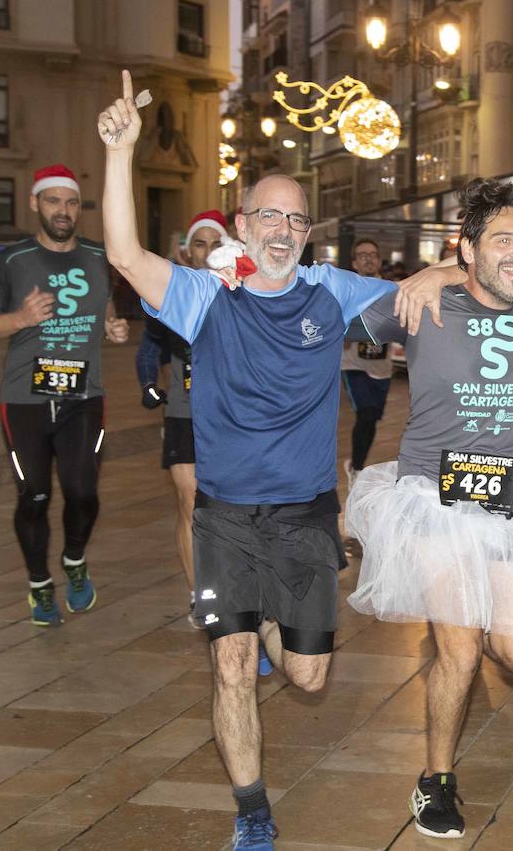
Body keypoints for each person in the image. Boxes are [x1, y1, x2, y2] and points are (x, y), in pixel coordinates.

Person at [96, 72, 434, 851]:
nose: (282, 228)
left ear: (308, 233)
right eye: (268, 215)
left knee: (310, 675)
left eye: (296, 218)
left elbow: (419, 298)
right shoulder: (203, 296)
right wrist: (120, 153)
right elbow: (122, 250)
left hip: (308, 516)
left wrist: (455, 268)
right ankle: (252, 809)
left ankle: (278, 631)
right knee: (230, 663)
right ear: (242, 225)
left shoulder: (334, 291)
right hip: (224, 517)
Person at [344, 179, 513, 839]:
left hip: (512, 505)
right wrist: (436, 271)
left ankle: (482, 636)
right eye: (503, 241)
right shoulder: (418, 302)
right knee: (461, 653)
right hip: (434, 502)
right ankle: (436, 779)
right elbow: (327, 306)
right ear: (468, 248)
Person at [0, 163, 130, 627]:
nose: (63, 211)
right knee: (35, 495)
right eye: (53, 201)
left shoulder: (100, 255)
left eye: (71, 202)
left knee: (83, 492)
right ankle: (40, 583)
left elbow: (104, 302)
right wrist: (20, 319)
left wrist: (111, 325)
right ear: (35, 203)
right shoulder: (13, 261)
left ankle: (75, 560)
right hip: (24, 399)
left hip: (85, 396)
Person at [136, 209, 230, 625]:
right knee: (190, 503)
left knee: (229, 508)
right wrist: (148, 387)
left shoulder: (241, 292)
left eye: (215, 243)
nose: (207, 252)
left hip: (231, 416)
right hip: (183, 412)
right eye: (199, 243)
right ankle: (201, 596)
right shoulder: (170, 293)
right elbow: (147, 349)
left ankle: (236, 586)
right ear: (186, 250)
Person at [340, 239, 393, 479]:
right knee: (366, 412)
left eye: (373, 254)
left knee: (371, 419)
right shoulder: (346, 289)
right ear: (354, 262)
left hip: (381, 366)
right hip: (353, 364)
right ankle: (358, 469)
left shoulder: (392, 290)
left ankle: (356, 464)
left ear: (379, 260)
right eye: (362, 255)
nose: (368, 259)